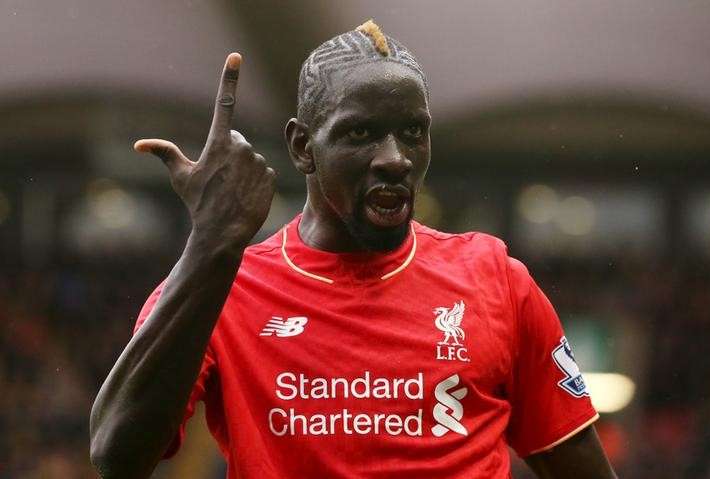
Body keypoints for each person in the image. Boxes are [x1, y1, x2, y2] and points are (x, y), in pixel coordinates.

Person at [90, 20, 616, 479]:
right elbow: (117, 458)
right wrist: (210, 245)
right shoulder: (221, 285)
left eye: (413, 132)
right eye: (361, 132)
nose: (395, 158)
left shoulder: (494, 278)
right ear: (303, 147)